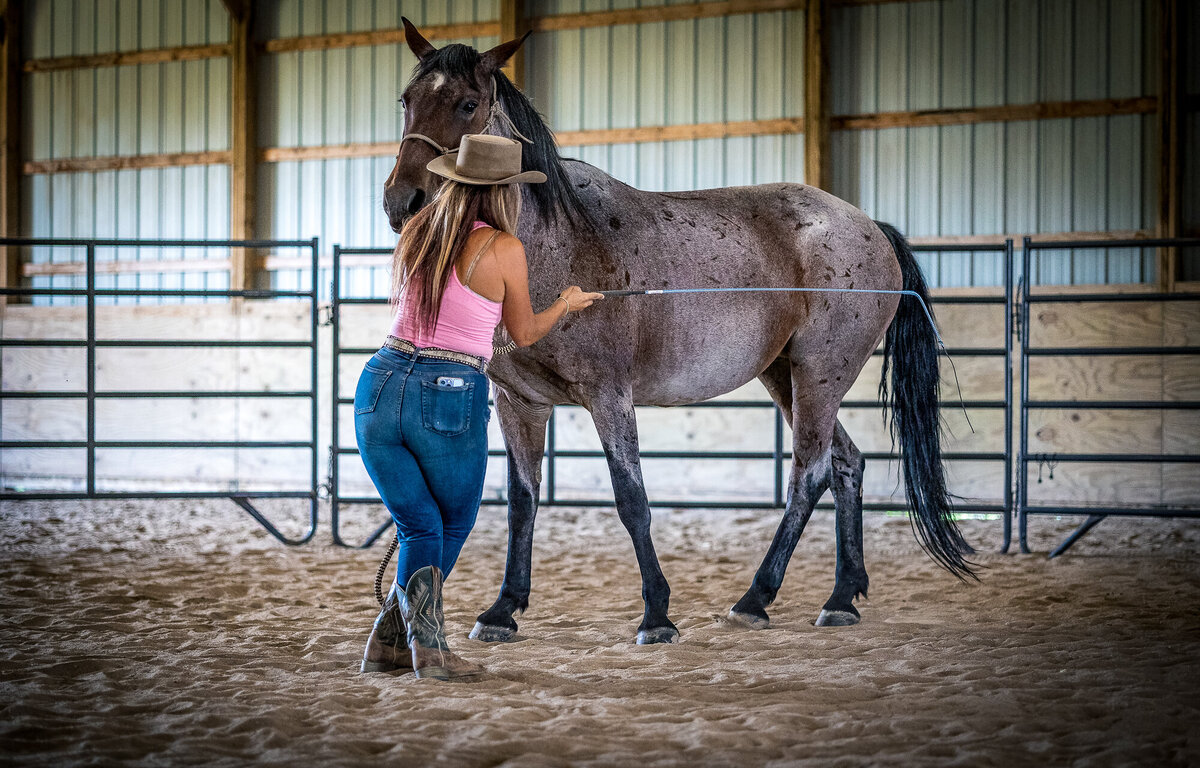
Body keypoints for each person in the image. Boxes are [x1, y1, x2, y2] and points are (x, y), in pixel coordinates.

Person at [357, 134, 602, 680]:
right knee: (448, 524)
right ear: (505, 191)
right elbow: (524, 332)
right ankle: (432, 652)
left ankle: (387, 644)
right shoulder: (504, 248)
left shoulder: (418, 231)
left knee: (417, 523)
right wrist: (565, 302)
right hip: (446, 395)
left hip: (379, 382)